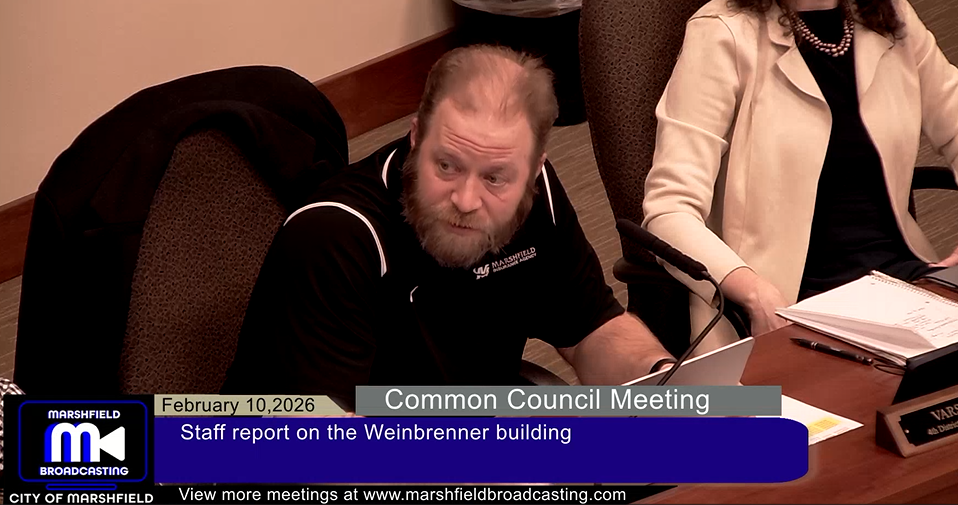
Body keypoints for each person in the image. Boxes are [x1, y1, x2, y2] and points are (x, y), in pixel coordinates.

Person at [222, 45, 674, 410]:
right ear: (416, 136)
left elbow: (591, 330)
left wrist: (663, 383)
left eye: (495, 178)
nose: (466, 200)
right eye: (447, 165)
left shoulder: (535, 199)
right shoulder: (335, 235)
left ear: (533, 170)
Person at [642, 0, 958, 354]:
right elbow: (668, 210)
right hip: (790, 310)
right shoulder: (722, 32)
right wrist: (753, 292)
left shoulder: (890, 13)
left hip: (907, 289)